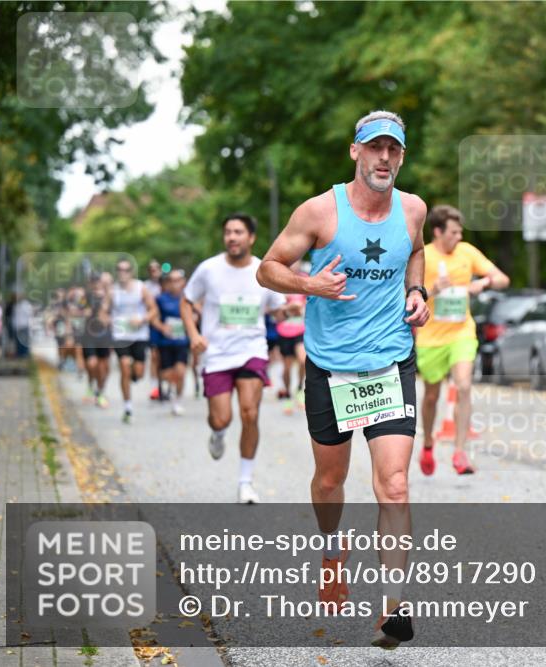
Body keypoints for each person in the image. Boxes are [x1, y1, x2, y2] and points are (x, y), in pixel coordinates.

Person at [257, 110, 430, 649]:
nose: (384, 158)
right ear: (354, 151)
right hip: (331, 367)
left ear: (402, 156)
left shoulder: (414, 210)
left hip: (391, 362)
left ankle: (394, 605)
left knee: (395, 484)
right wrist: (311, 285)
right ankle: (332, 548)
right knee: (330, 481)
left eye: (394, 150)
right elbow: (268, 268)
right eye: (375, 148)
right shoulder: (319, 212)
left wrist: (418, 293)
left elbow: (417, 253)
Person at [180, 213, 291, 504]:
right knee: (221, 419)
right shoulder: (208, 269)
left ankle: (245, 482)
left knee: (250, 413)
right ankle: (217, 434)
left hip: (251, 351)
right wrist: (193, 335)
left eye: (238, 232)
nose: (232, 237)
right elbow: (187, 300)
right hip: (216, 354)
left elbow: (277, 310)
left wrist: (289, 311)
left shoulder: (264, 271)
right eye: (228, 232)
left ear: (251, 238)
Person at [416, 205, 509, 475]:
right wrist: (432, 290)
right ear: (438, 232)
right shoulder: (424, 255)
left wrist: (486, 282)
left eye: (460, 232)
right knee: (432, 396)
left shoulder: (467, 252)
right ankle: (428, 444)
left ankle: (459, 452)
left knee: (464, 385)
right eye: (454, 232)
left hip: (461, 332)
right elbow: (407, 295)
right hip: (430, 337)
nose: (459, 237)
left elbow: (503, 279)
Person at [110, 259, 157, 423]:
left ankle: (132, 375)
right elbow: (103, 313)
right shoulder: (112, 291)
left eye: (126, 269)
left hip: (139, 335)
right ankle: (128, 407)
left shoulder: (141, 288)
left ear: (131, 272)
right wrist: (108, 321)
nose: (123, 272)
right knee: (124, 365)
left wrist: (143, 319)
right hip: (120, 336)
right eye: (119, 269)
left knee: (138, 373)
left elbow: (153, 310)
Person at [150, 269, 190, 416]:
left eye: (178, 280)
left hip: (181, 342)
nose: (175, 284)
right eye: (171, 280)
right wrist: (162, 328)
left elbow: (198, 315)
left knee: (181, 372)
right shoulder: (160, 299)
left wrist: (192, 322)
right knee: (167, 374)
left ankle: (177, 400)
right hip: (165, 342)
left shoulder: (188, 298)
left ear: (183, 282)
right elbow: (153, 319)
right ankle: (171, 389)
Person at [275, 261, 308, 414]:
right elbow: (276, 309)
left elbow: (310, 301)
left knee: (303, 361)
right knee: (287, 368)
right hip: (284, 330)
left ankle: (300, 390)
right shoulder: (281, 280)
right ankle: (288, 395)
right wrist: (289, 307)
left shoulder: (305, 279)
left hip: (300, 330)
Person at [81, 273, 112, 407]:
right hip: (89, 335)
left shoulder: (109, 297)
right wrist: (84, 312)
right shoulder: (86, 297)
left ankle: (100, 392)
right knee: (92, 364)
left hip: (105, 336)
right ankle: (91, 385)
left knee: (103, 366)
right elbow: (79, 310)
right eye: (93, 281)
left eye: (98, 281)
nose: (96, 284)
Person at [145, 260, 163, 399]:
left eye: (156, 268)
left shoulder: (166, 284)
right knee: (155, 356)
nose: (154, 271)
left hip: (167, 323)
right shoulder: (146, 287)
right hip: (153, 324)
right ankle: (154, 387)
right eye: (152, 269)